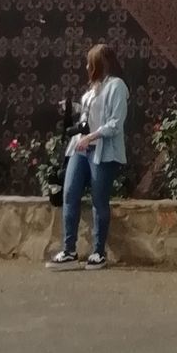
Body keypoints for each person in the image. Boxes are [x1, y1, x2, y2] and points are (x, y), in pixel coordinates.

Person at [47, 43, 128, 268]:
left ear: (100, 64)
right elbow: (89, 116)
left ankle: (98, 252)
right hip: (80, 150)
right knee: (69, 194)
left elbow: (115, 123)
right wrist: (72, 108)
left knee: (99, 201)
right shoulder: (94, 88)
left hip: (102, 152)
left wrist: (91, 137)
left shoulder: (117, 87)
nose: (86, 67)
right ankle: (69, 251)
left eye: (89, 63)